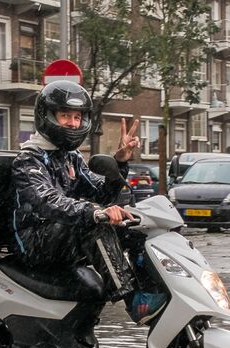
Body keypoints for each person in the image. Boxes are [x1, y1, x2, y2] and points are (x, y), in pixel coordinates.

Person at [10, 81, 167, 325]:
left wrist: (119, 163)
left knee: (134, 226)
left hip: (62, 235)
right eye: (65, 116)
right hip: (35, 242)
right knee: (96, 225)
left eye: (77, 117)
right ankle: (134, 301)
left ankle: (152, 289)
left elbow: (101, 193)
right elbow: (48, 201)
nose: (73, 123)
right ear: (47, 116)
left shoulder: (70, 157)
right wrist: (94, 212)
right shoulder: (29, 160)